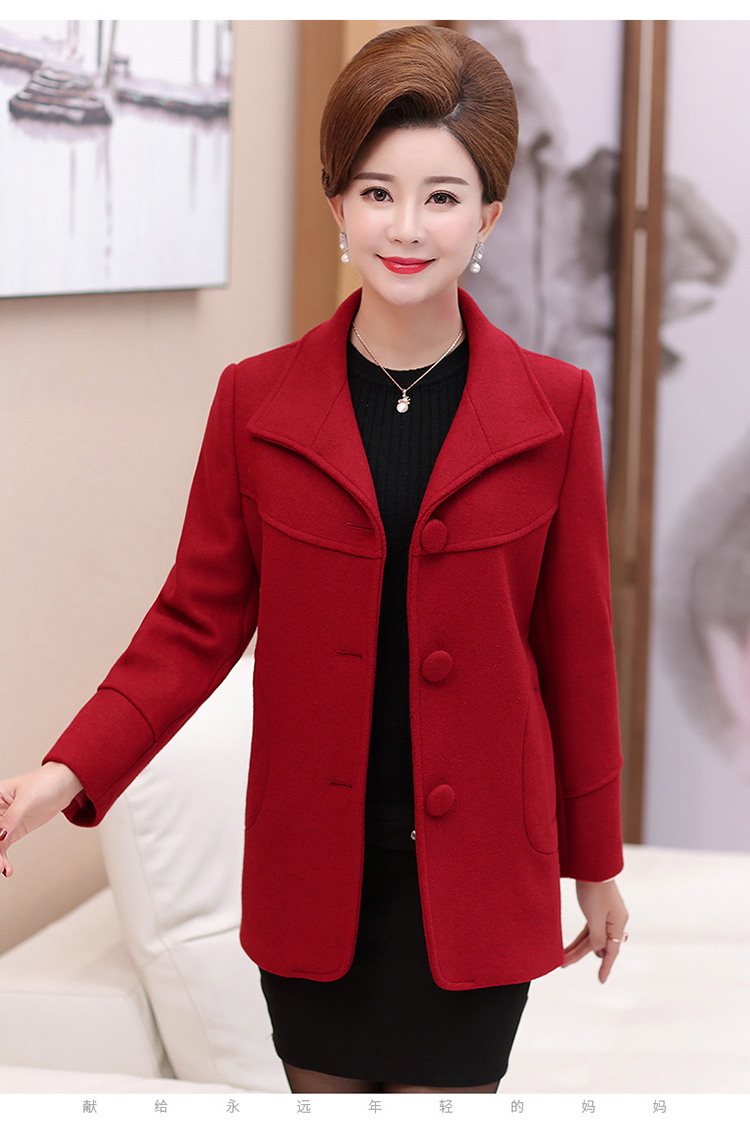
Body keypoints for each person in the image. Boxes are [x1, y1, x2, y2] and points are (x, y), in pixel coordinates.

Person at [0, 26, 628, 1095]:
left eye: (442, 196)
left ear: (489, 215)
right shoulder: (255, 403)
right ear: (338, 203)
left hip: (481, 881)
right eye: (378, 192)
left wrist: (597, 865)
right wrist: (64, 773)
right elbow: (192, 623)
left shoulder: (555, 407)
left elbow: (576, 651)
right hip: (315, 881)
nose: (407, 226)